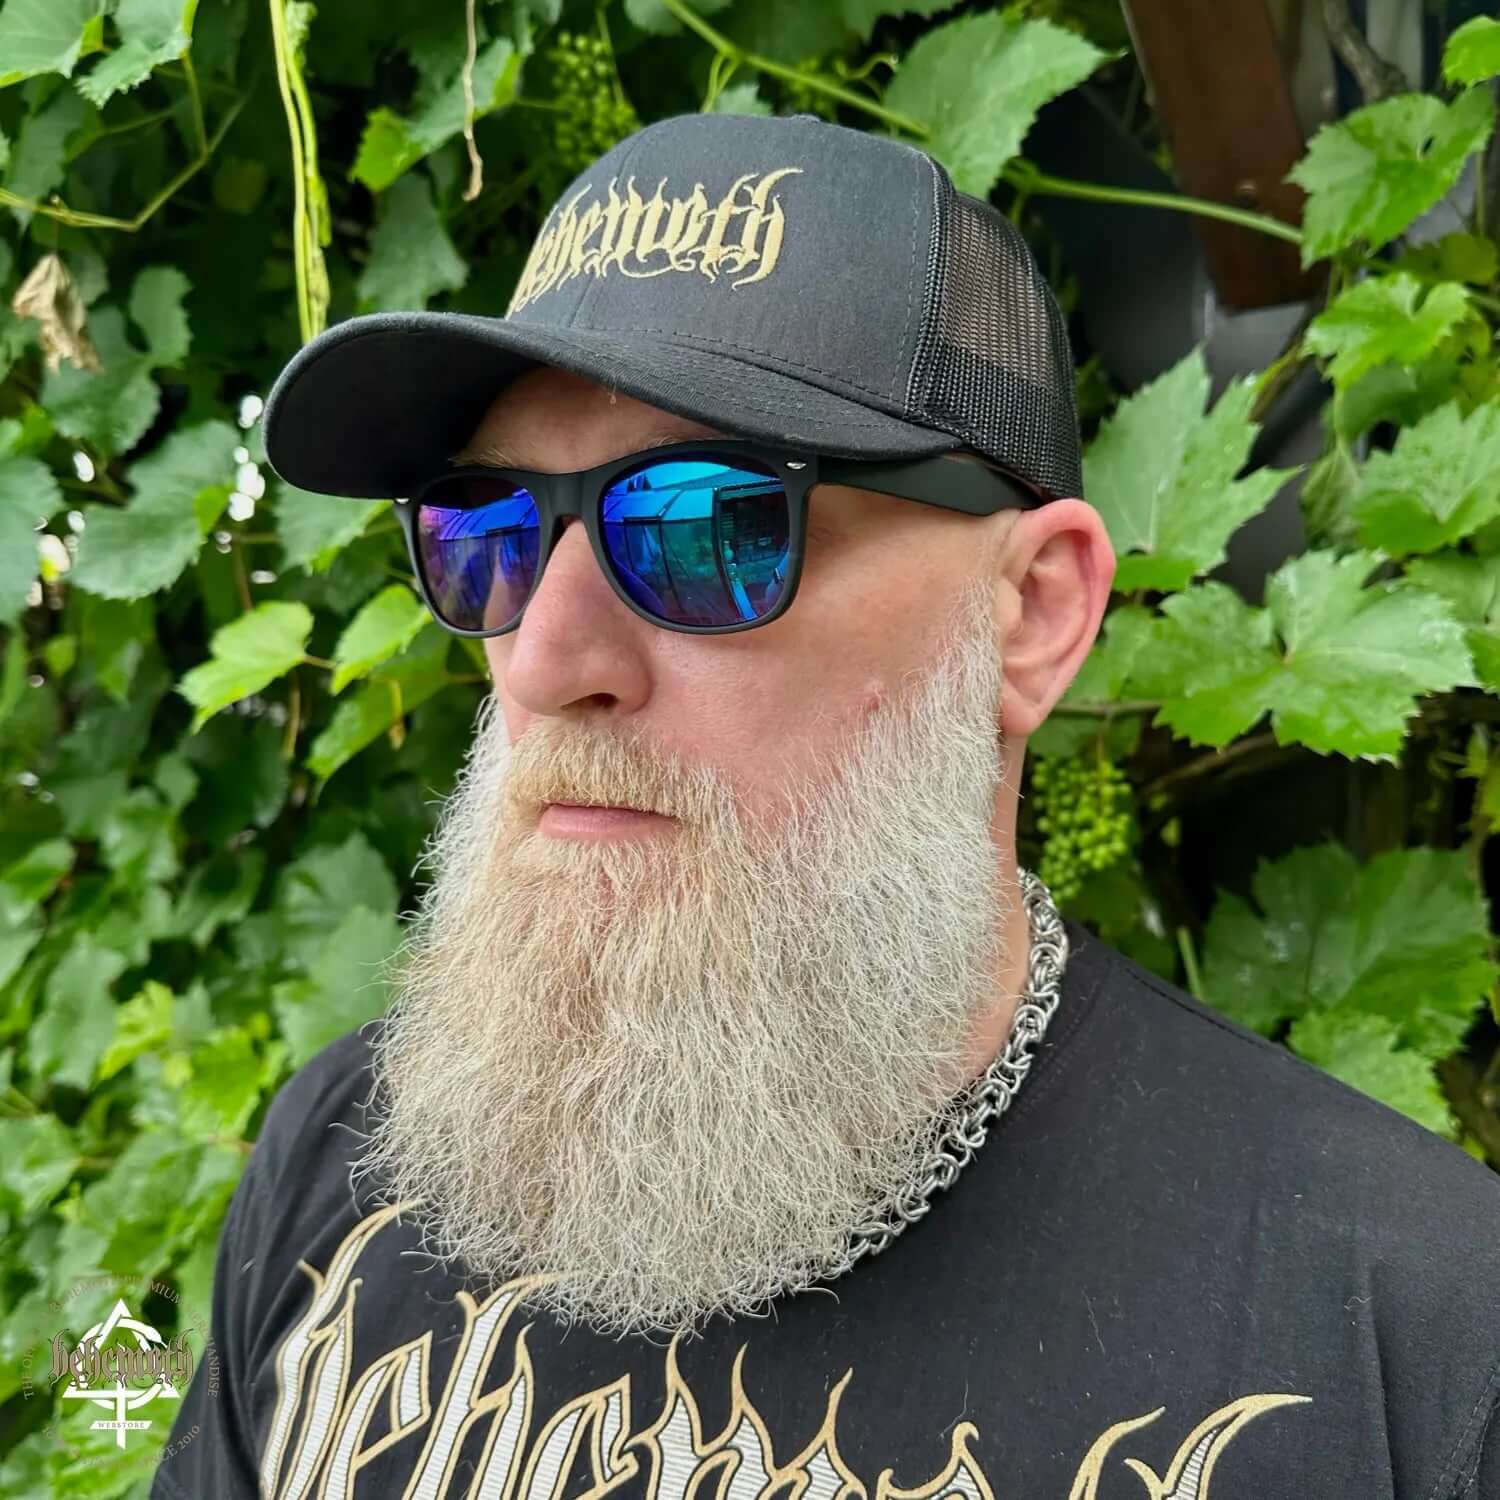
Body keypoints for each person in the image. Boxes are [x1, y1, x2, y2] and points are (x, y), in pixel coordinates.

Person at [150, 111, 1500, 1500]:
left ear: (1030, 617)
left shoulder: (1418, 1351)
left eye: (709, 526)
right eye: (484, 533)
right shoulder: (343, 1172)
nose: (545, 661)